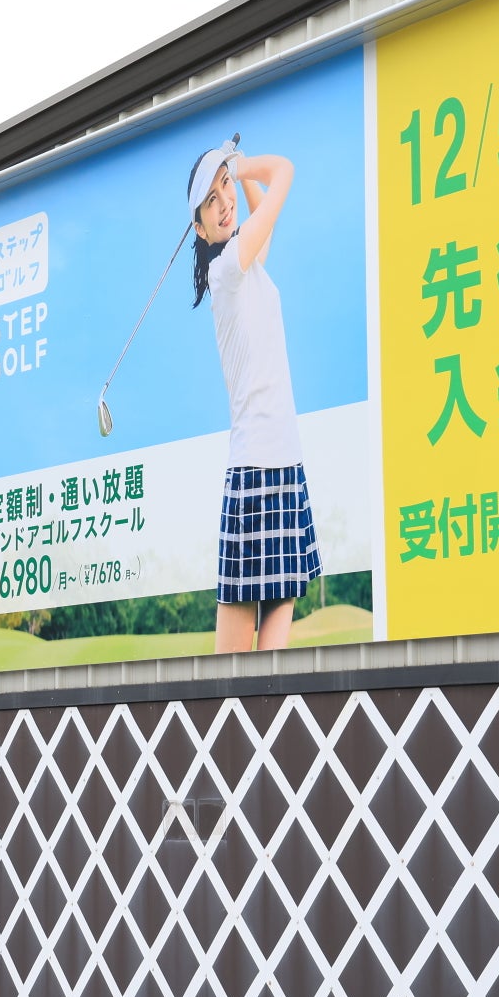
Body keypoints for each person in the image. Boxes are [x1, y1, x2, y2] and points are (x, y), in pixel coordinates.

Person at [187, 137, 320, 654]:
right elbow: (283, 170)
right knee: (232, 670)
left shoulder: (245, 262)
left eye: (225, 191)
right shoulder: (226, 270)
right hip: (256, 468)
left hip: (285, 461)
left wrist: (233, 176)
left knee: (273, 661)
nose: (225, 203)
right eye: (211, 201)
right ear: (199, 227)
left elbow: (266, 219)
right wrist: (239, 166)